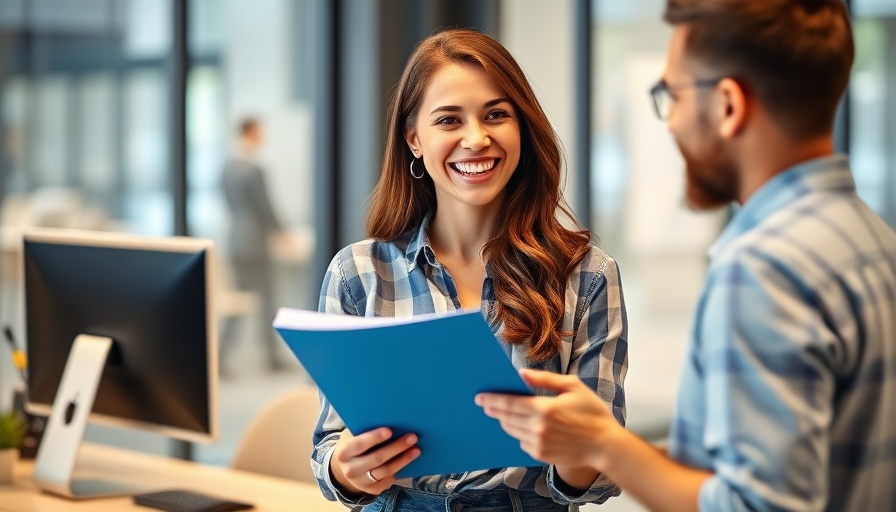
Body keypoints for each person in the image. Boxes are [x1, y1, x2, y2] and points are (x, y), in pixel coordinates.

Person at [476, 1, 896, 511]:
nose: (669, 122)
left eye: (670, 95)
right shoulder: (873, 240)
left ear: (726, 105)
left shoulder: (764, 267)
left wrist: (606, 443)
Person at [312, 28, 629, 511]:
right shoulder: (358, 274)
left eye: (496, 115)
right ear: (414, 139)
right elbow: (330, 449)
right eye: (449, 120)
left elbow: (601, 473)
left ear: (521, 126)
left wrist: (576, 447)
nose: (476, 139)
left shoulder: (585, 276)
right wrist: (350, 469)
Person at [220, 117, 289, 373]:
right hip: (256, 243)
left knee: (239, 299)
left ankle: (219, 356)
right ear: (250, 132)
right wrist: (282, 233)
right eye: (260, 131)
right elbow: (265, 207)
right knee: (267, 300)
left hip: (236, 240)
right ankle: (272, 358)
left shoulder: (227, 167)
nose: (263, 136)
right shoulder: (254, 169)